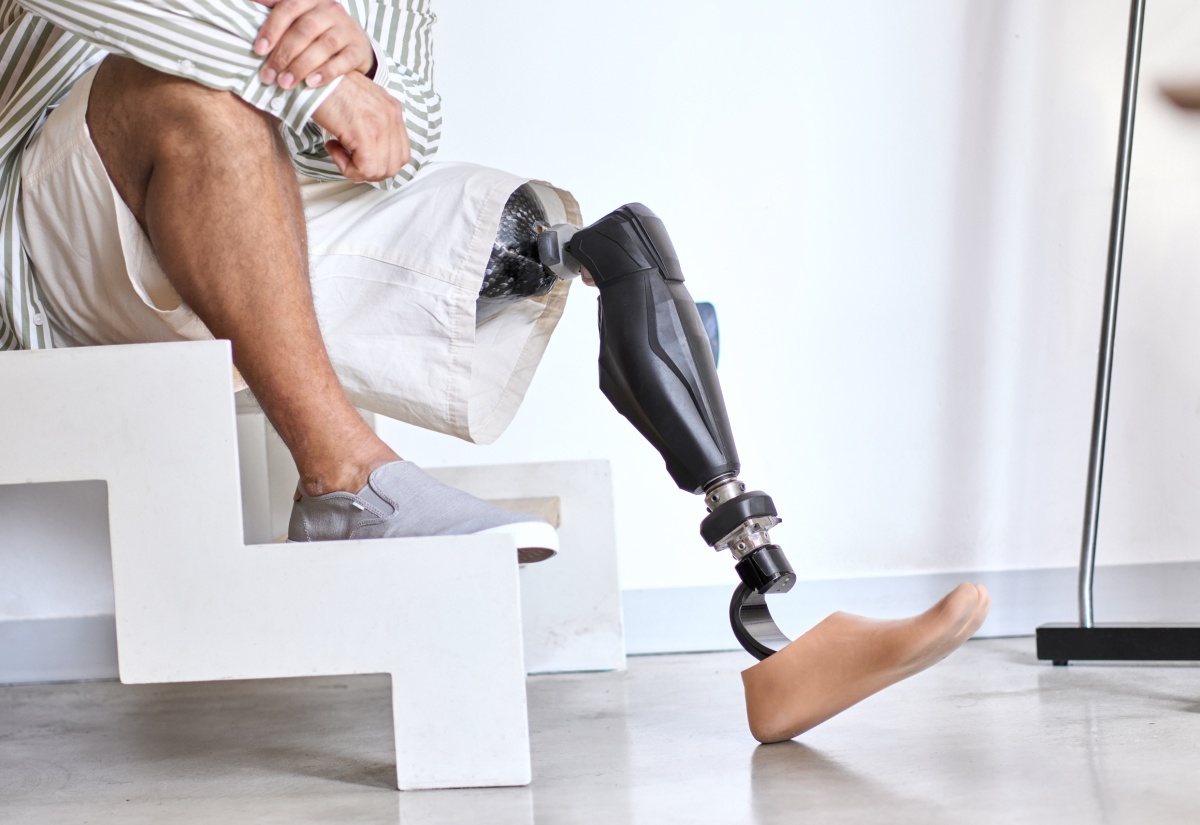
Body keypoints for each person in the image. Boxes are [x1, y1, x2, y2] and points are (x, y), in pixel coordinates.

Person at [0, 0, 989, 744]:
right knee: (187, 97)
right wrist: (302, 79)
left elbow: (411, 114)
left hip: (253, 197)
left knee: (588, 240)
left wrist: (373, 73)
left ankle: (771, 620)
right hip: (64, 196)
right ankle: (345, 481)